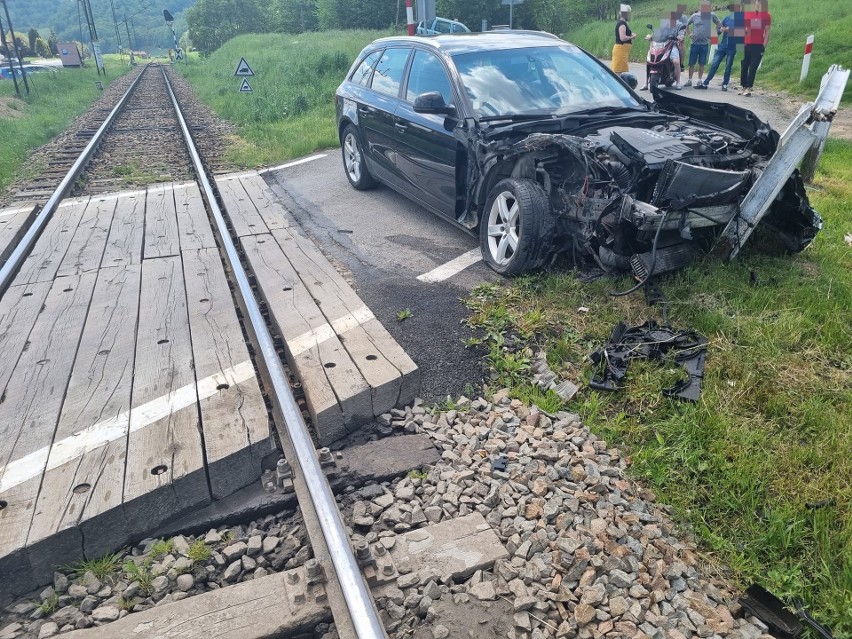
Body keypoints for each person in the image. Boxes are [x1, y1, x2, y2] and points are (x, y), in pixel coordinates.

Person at [699, 3, 740, 91]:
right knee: (714, 64)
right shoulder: (726, 18)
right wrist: (720, 30)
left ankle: (725, 84)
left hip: (733, 47)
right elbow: (717, 30)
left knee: (728, 66)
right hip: (723, 45)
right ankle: (706, 83)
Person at [685, 2, 721, 86]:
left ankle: (699, 80)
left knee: (702, 63)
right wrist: (689, 33)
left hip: (704, 43)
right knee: (691, 63)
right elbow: (686, 24)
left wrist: (713, 32)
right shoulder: (694, 16)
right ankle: (690, 80)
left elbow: (719, 24)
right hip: (695, 43)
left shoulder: (712, 15)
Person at [740, 0, 771, 96]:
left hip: (758, 45)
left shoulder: (766, 15)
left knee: (753, 67)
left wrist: (764, 46)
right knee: (744, 66)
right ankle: (743, 86)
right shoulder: (747, 13)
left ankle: (749, 87)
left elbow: (767, 31)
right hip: (746, 44)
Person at [612, 4, 637, 73]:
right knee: (618, 72)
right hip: (620, 50)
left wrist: (631, 34)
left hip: (623, 51)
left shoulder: (623, 23)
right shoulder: (622, 24)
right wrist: (632, 37)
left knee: (621, 71)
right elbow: (622, 38)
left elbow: (625, 34)